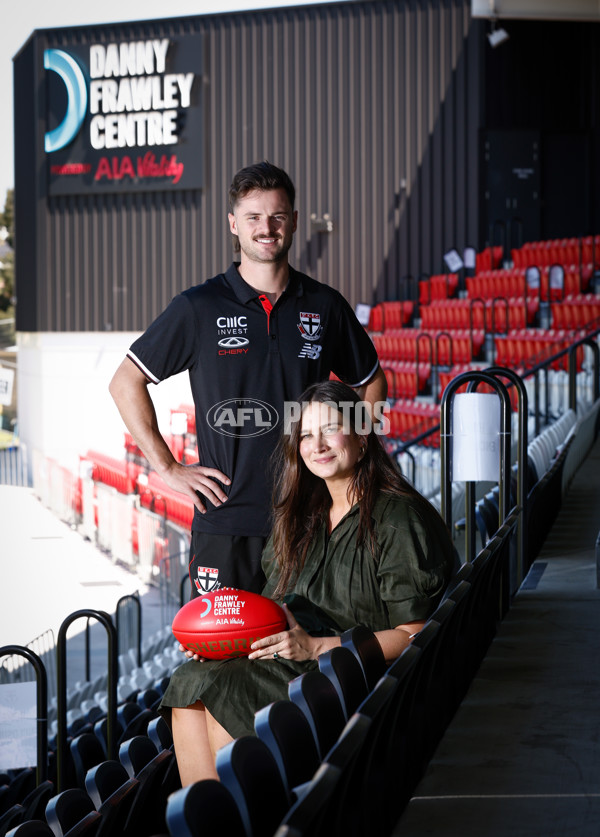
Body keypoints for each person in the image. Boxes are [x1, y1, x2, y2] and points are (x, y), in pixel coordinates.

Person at [109, 161, 387, 597]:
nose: (266, 227)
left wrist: (357, 456)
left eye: (277, 216)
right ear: (233, 224)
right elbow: (124, 382)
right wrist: (167, 467)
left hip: (310, 516)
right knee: (225, 659)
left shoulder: (325, 305)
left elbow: (371, 382)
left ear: (294, 222)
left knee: (304, 650)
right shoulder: (197, 307)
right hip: (226, 525)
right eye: (254, 217)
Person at [162, 380, 456, 786]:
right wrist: (218, 641)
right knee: (191, 679)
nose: (317, 445)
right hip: (294, 662)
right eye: (306, 434)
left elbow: (416, 635)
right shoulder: (301, 516)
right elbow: (271, 612)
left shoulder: (398, 518)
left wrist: (320, 647)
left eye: (330, 429)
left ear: (362, 435)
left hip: (352, 676)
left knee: (228, 689)